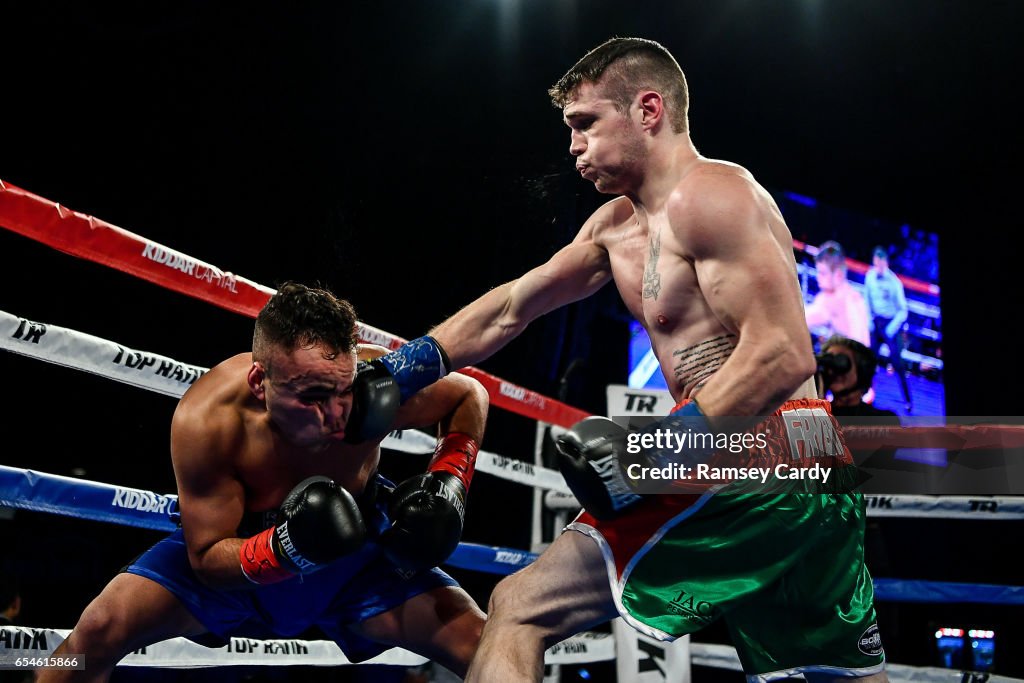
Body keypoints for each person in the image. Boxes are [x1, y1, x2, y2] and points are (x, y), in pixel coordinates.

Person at [418, 37, 887, 682]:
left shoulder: (712, 195)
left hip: (756, 452)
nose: (573, 146)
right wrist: (410, 363)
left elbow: (781, 352)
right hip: (810, 467)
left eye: (586, 124)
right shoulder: (616, 227)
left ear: (647, 110)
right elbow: (511, 308)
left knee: (520, 607)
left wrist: (660, 448)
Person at [39, 282, 489, 682]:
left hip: (357, 559)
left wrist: (449, 482)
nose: (335, 415)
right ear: (261, 380)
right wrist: (285, 548)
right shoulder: (210, 421)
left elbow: (469, 394)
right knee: (92, 637)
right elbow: (206, 558)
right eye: (311, 396)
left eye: (345, 392)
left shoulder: (378, 383)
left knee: (486, 648)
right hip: (241, 553)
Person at [864, 246, 912, 412]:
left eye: (880, 264)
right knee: (869, 360)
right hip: (876, 322)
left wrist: (891, 328)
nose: (877, 267)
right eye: (875, 263)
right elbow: (866, 298)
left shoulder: (894, 283)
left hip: (891, 323)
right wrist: (869, 320)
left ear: (885, 263)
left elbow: (903, 310)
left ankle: (908, 400)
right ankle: (866, 395)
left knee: (898, 364)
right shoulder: (870, 276)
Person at [804, 240, 872, 348]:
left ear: (838, 275)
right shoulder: (855, 295)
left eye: (823, 273)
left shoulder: (832, 299)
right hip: (859, 358)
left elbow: (801, 320)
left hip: (849, 359)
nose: (818, 278)